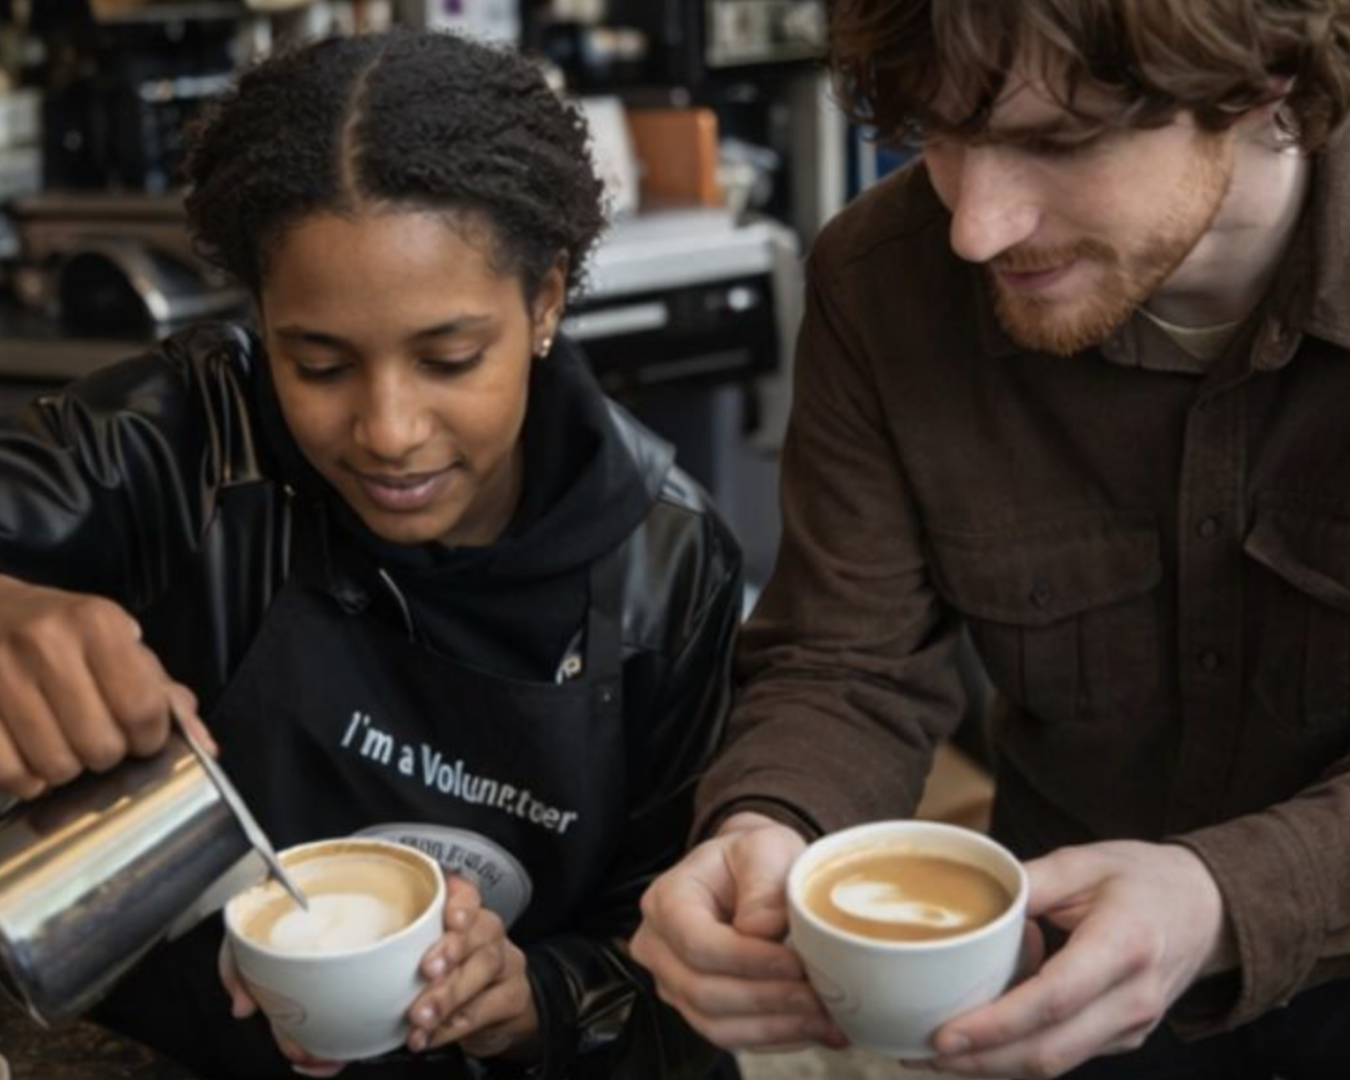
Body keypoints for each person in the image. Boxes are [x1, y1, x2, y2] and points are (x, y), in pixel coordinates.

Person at [0, 29, 743, 1080]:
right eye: (319, 364)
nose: (388, 430)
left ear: (544, 304)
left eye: (449, 359)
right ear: (262, 320)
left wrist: (532, 999)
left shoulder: (672, 564)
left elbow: (681, 973)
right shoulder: (183, 441)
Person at [631, 1, 1350, 1078]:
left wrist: (1225, 895)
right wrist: (765, 826)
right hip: (1041, 998)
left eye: (1056, 142)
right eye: (939, 134)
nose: (975, 225)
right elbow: (848, 661)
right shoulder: (881, 285)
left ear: (1258, 83)